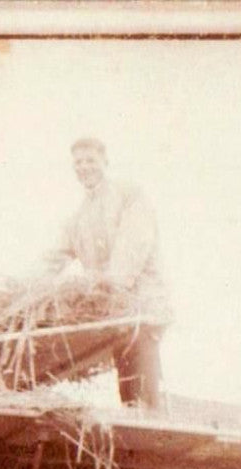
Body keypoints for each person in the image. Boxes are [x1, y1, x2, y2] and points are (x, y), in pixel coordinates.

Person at [47, 137, 169, 409]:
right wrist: (22, 289)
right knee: (127, 382)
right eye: (78, 162)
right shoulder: (78, 217)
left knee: (142, 379)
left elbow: (133, 246)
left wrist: (109, 289)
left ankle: (149, 424)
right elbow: (53, 257)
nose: (84, 167)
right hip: (114, 313)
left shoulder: (129, 195)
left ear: (105, 160)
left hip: (140, 306)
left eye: (90, 160)